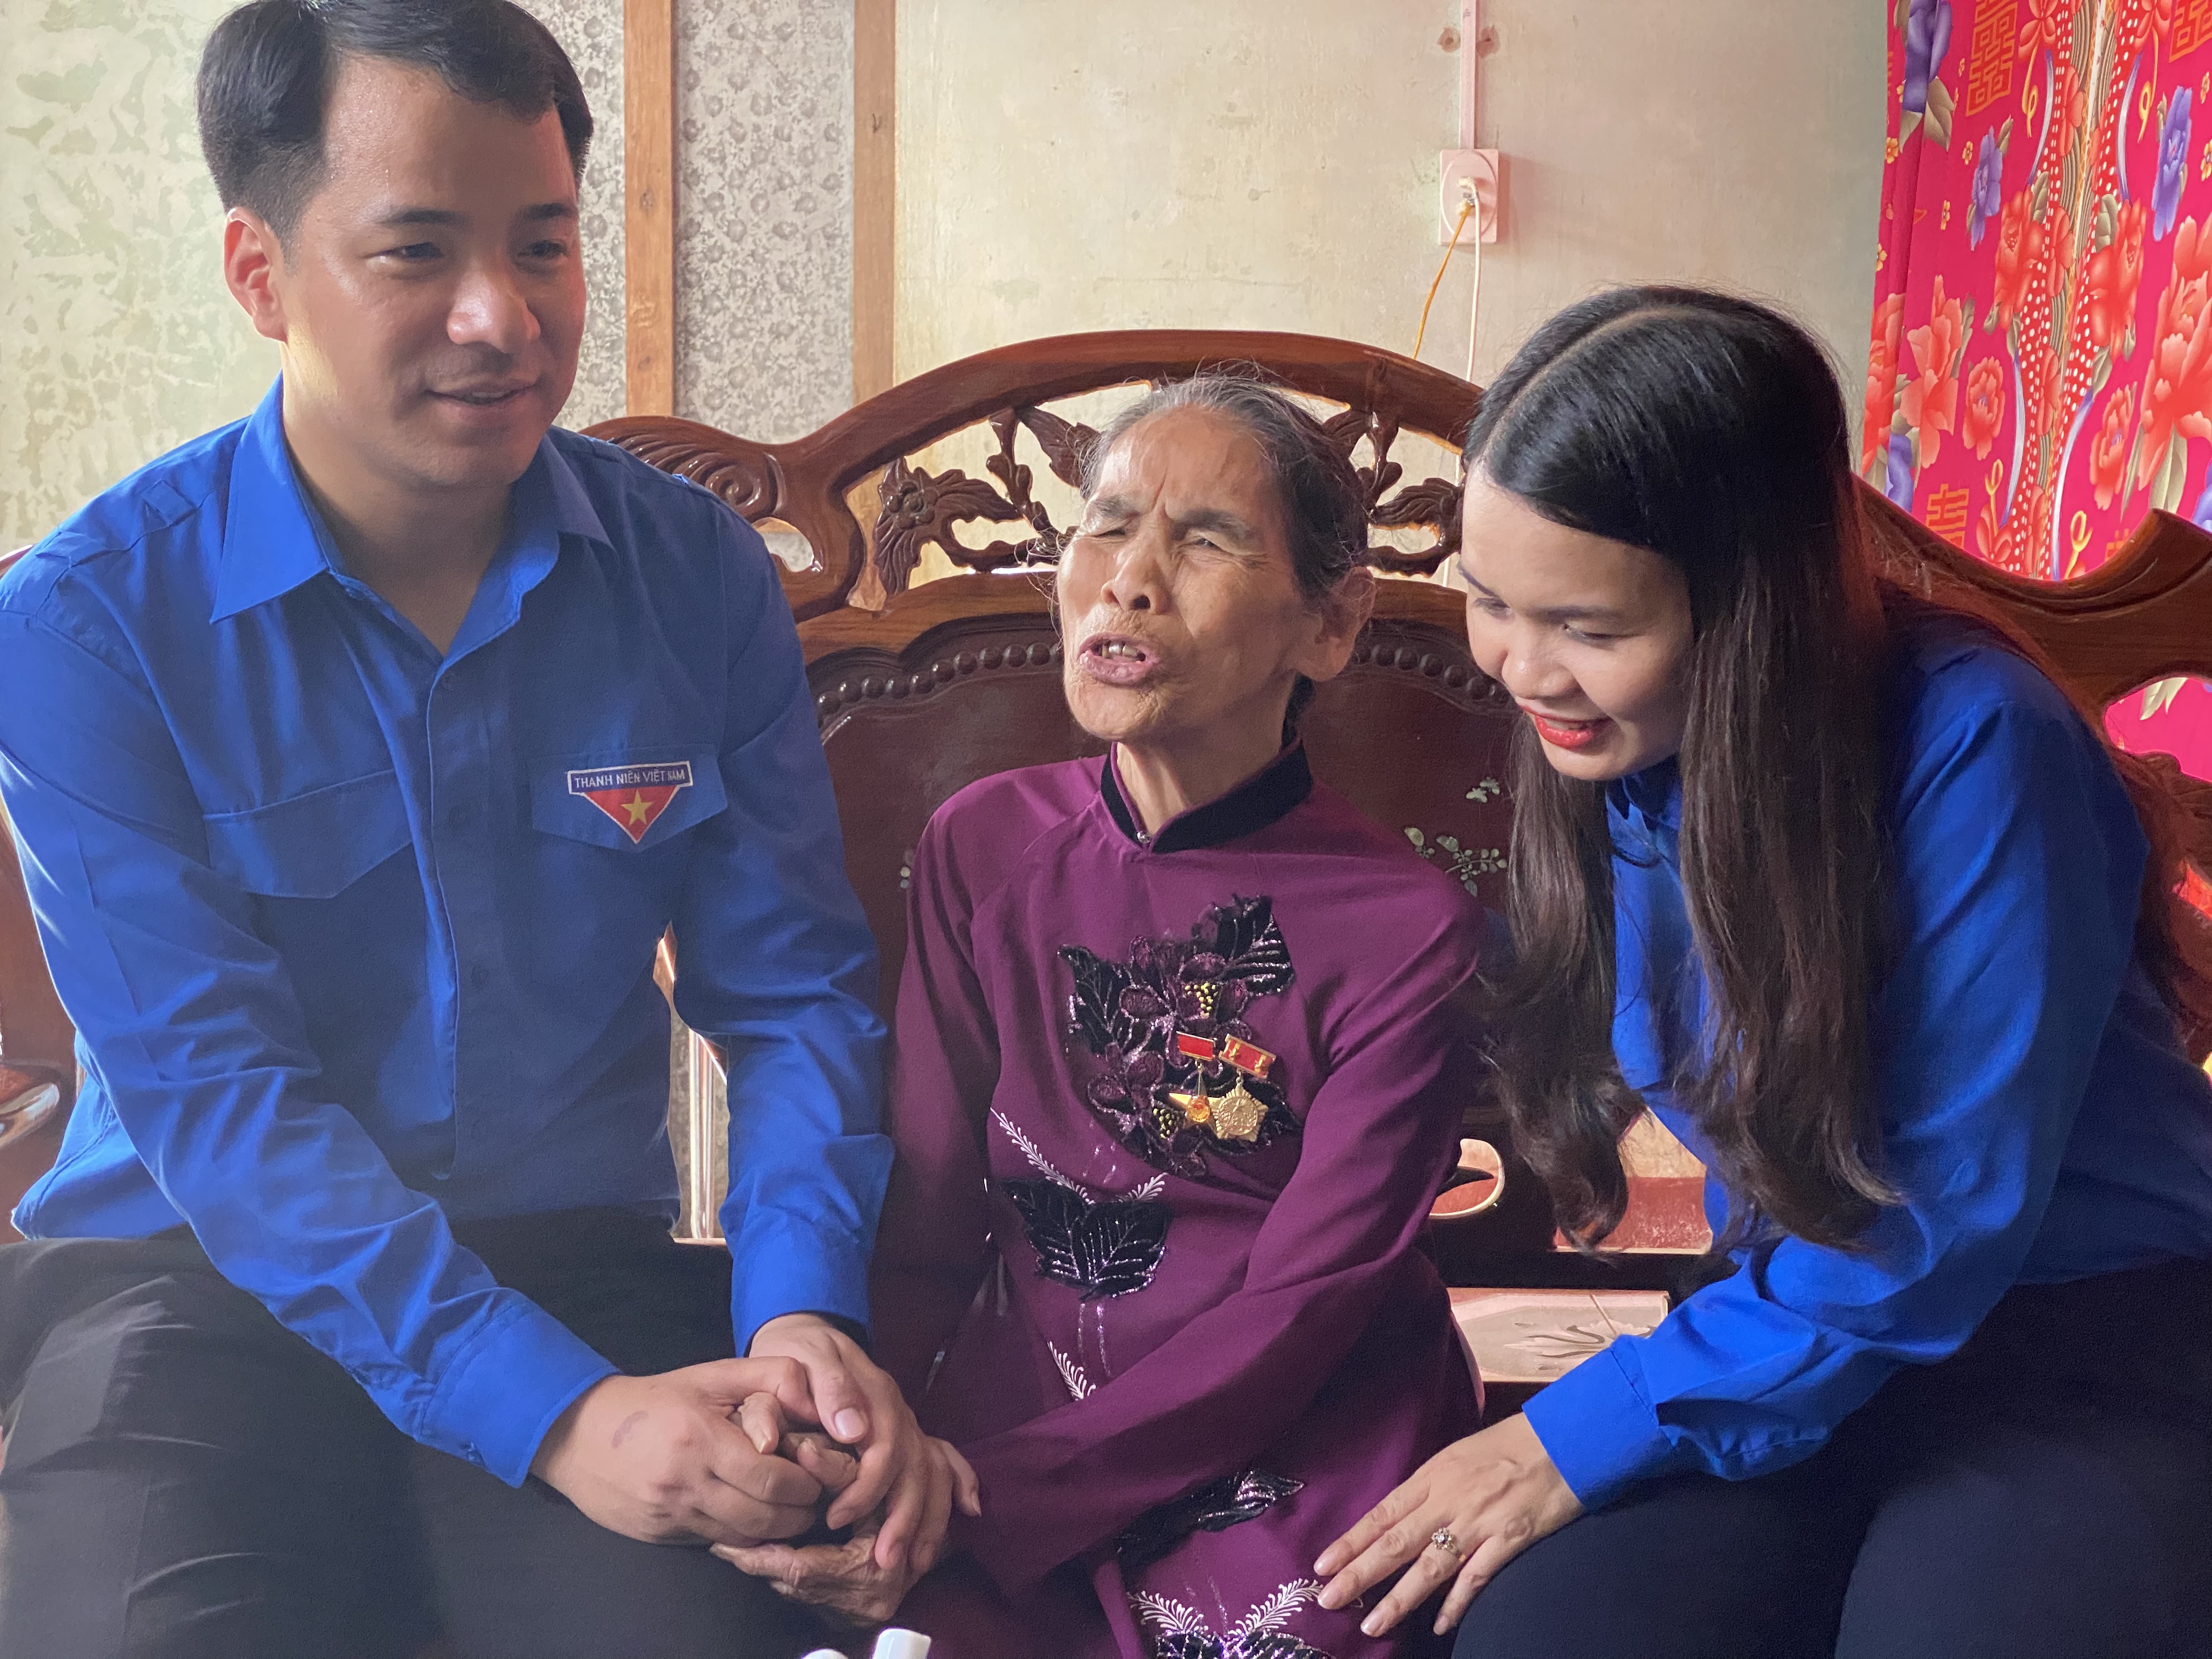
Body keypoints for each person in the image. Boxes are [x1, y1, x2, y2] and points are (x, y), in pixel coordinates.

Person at [0, 5, 969, 1656]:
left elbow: (795, 994)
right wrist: (560, 1419)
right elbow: (219, 1101)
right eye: (417, 251)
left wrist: (801, 1308)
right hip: (197, 1284)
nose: (502, 318)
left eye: (543, 244)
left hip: (579, 1266)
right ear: (260, 271)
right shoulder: (87, 624)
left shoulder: (694, 580)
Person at [1312, 287, 2212, 1658]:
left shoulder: (1981, 745)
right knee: (1543, 1635)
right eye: (1490, 602)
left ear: (1752, 607)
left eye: (1586, 627)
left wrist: (1579, 1431)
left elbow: (1928, 1226)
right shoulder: (1620, 753)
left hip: (2076, 1344)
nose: (1522, 667)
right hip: (1796, 1329)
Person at [742, 375, 1488, 1656]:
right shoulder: (984, 843)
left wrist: (979, 1504)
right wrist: (867, 1445)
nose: (1129, 582)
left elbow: (1302, 1312)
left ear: (1331, 622)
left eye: (1205, 541)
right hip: (1015, 1399)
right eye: (1107, 526)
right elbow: (930, 1208)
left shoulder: (1410, 928)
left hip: (1299, 1433)